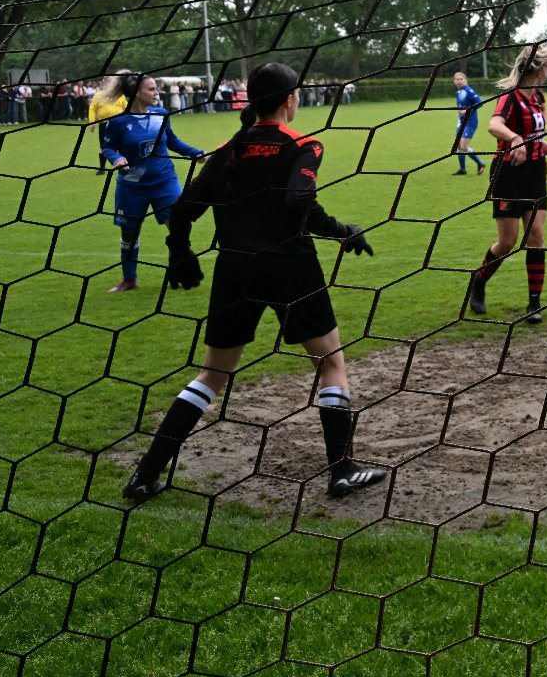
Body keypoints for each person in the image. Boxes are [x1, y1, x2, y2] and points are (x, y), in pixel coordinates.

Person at [123, 62, 384, 504]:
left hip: (235, 270)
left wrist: (179, 250)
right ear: (289, 100)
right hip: (291, 267)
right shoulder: (303, 145)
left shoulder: (228, 149)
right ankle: (341, 470)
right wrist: (345, 231)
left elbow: (183, 209)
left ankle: (145, 475)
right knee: (330, 364)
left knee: (212, 374)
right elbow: (299, 201)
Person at [469, 39, 547, 322]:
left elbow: (536, 138)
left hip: (535, 174)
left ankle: (534, 304)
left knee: (536, 237)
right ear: (539, 71)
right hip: (508, 174)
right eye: (546, 69)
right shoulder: (511, 96)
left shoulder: (538, 98)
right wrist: (514, 138)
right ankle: (478, 281)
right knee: (507, 242)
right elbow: (494, 125)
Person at [99, 74, 205, 293]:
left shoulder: (161, 114)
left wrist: (195, 153)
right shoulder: (118, 122)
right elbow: (107, 147)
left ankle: (182, 271)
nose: (157, 92)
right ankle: (129, 279)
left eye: (156, 88)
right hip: (132, 185)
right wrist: (117, 158)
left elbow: (172, 141)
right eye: (152, 89)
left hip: (164, 181)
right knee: (129, 233)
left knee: (178, 228)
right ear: (137, 93)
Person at [88, 72, 131, 175]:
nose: (109, 83)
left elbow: (127, 108)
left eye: (111, 81)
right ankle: (102, 168)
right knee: (104, 146)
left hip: (120, 123)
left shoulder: (120, 95)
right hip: (104, 124)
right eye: (107, 81)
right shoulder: (98, 95)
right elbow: (92, 108)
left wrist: (130, 119)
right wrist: (92, 122)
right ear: (103, 83)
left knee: (122, 144)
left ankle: (122, 166)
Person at [451, 72, 487, 176]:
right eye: (457, 79)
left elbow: (479, 103)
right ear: (454, 81)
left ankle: (480, 163)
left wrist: (468, 110)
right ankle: (463, 170)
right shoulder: (458, 92)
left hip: (470, 122)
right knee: (459, 146)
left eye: (461, 79)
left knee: (463, 146)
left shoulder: (469, 91)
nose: (459, 81)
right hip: (461, 122)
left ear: (465, 80)